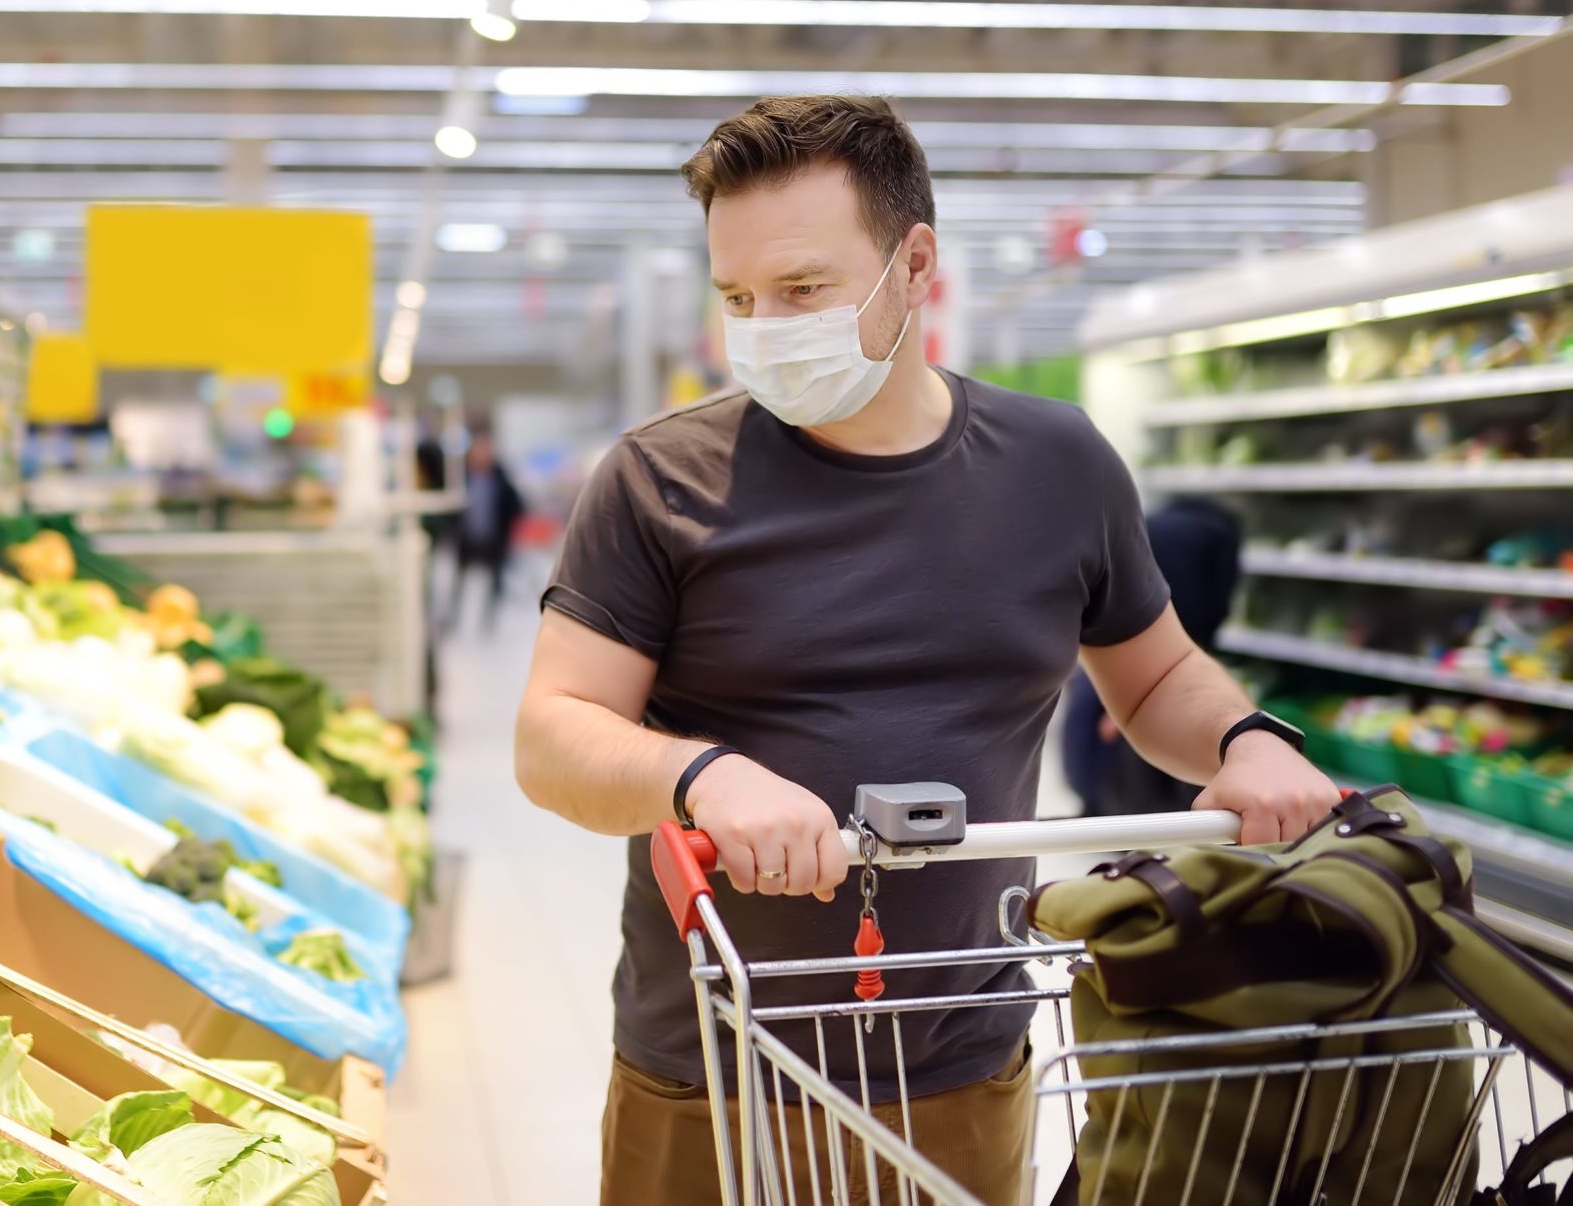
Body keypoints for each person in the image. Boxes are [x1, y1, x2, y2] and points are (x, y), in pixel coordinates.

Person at [512, 95, 1340, 1205]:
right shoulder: (660, 480)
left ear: (915, 265)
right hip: (712, 1058)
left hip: (959, 1051)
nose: (766, 324)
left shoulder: (1059, 466)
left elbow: (1157, 676)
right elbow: (552, 734)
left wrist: (1246, 738)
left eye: (802, 288)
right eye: (738, 297)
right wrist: (702, 775)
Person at [1062, 496, 1244, 816]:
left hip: (1118, 624)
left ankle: (1096, 800)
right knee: (1155, 713)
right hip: (1175, 627)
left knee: (1101, 708)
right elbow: (1216, 598)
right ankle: (1149, 808)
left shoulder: (1152, 521)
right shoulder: (1221, 535)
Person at [450, 428, 524, 633]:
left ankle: (487, 624)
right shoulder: (462, 479)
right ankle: (455, 621)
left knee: (493, 585)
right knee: (459, 583)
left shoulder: (500, 479)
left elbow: (517, 505)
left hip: (493, 540)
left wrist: (507, 529)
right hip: (467, 539)